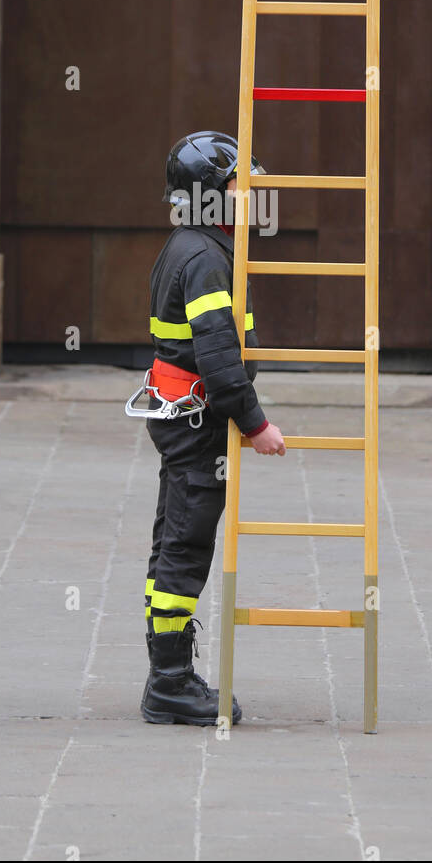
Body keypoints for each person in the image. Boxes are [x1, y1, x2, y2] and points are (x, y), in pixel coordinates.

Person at [140, 130, 286, 726]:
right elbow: (220, 358)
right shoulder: (205, 258)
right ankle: (169, 683)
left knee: (172, 539)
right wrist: (257, 426)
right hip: (199, 419)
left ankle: (168, 673)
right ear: (208, 194)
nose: (247, 197)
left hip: (182, 415)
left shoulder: (194, 245)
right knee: (185, 544)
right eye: (236, 186)